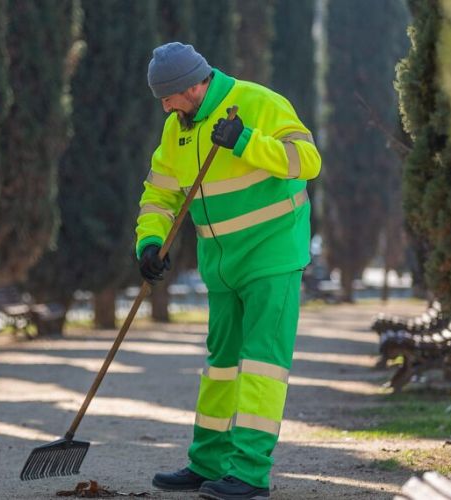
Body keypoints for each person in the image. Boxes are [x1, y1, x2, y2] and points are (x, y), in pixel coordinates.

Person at [136, 43, 321, 500]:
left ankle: (250, 474)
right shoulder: (176, 129)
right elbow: (161, 194)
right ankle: (207, 463)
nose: (165, 106)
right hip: (221, 267)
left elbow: (307, 162)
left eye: (171, 96)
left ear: (196, 84)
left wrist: (245, 141)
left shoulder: (259, 102)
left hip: (272, 257)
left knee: (262, 365)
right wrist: (150, 242)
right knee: (220, 367)